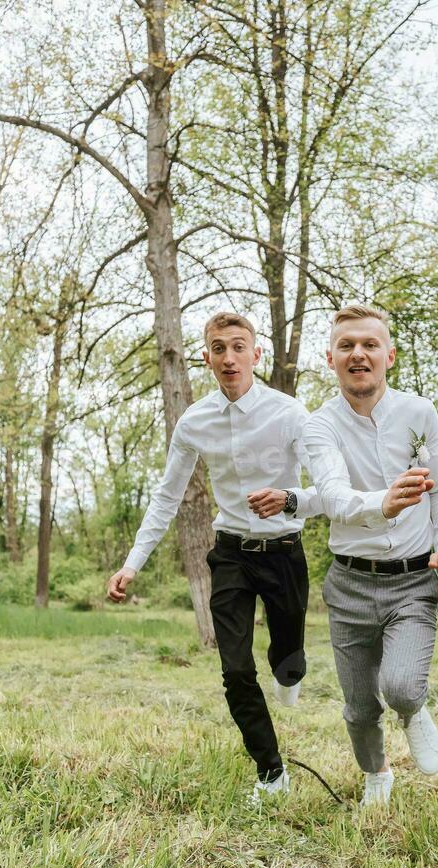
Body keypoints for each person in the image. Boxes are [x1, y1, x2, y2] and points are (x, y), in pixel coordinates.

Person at [106, 311, 319, 805]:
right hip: (231, 556)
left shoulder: (290, 413)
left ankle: (290, 674)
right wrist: (132, 563)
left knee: (288, 661)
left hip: (284, 551)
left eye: (239, 346)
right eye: (219, 348)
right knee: (236, 669)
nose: (229, 357)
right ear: (207, 358)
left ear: (256, 354)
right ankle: (271, 771)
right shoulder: (194, 421)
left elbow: (325, 488)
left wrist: (288, 496)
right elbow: (167, 496)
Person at [300, 303, 438, 807]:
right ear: (331, 359)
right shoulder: (319, 426)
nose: (358, 354)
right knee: (358, 706)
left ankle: (414, 710)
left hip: (412, 580)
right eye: (347, 346)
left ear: (389, 354)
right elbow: (331, 494)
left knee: (401, 687)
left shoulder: (419, 413)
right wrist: (381, 503)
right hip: (348, 584)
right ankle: (377, 775)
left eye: (369, 344)